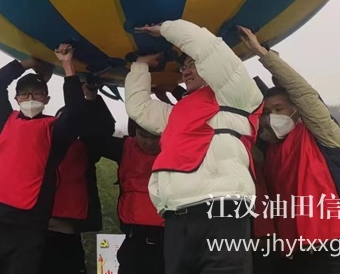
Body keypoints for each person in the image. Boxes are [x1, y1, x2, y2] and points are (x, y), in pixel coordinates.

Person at [126, 20, 263, 274]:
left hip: (222, 207)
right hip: (177, 212)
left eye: (193, 65)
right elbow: (139, 109)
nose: (186, 72)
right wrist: (141, 66)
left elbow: (210, 49)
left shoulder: (236, 95)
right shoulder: (176, 113)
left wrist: (166, 29)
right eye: (183, 68)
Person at [238, 26, 340, 274]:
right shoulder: (268, 152)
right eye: (267, 112)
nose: (272, 117)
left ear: (296, 110)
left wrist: (263, 55)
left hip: (339, 253)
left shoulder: (323, 135)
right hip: (295, 258)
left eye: (278, 109)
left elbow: (305, 94)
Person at [0, 46, 87, 274]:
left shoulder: (55, 131)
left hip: (29, 228)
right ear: (16, 98)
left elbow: (77, 112)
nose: (30, 98)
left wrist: (67, 65)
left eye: (37, 93)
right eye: (24, 94)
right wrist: (29, 63)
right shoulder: (5, 120)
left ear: (47, 98)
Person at [41, 47, 116, 274]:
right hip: (39, 229)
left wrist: (92, 97)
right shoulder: (44, 144)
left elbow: (103, 130)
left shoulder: (87, 146)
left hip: (69, 232)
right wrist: (38, 78)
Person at [87, 116, 166, 274]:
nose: (150, 142)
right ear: (134, 132)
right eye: (144, 135)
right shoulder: (124, 147)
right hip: (135, 239)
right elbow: (92, 135)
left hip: (172, 240)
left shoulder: (184, 147)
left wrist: (177, 91)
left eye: (156, 136)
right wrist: (92, 98)